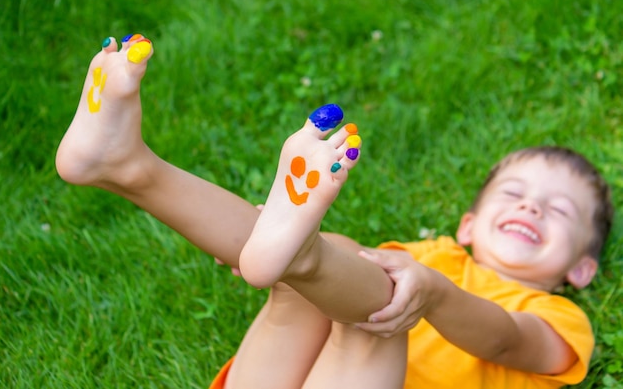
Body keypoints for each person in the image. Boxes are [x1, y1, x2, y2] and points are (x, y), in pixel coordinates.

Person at [55, 35, 613, 389]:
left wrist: (432, 294)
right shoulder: (426, 255)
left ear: (582, 269)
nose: (531, 206)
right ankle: (127, 165)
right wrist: (271, 238)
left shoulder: (560, 321)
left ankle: (279, 245)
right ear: (467, 225)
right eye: (513, 193)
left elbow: (504, 340)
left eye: (559, 210)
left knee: (381, 309)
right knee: (338, 266)